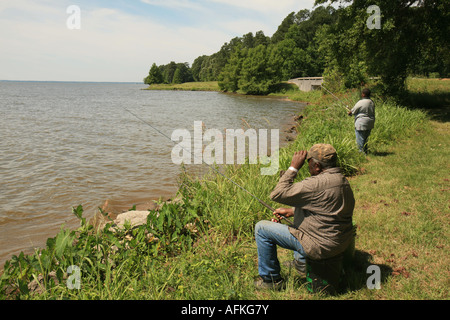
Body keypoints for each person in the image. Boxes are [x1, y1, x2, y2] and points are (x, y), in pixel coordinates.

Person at [254, 144, 355, 290]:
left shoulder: (315, 184)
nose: (308, 167)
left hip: (321, 246)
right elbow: (327, 209)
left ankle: (271, 281)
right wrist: (292, 211)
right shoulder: (343, 181)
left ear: (317, 166)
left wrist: (293, 168)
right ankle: (301, 264)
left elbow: (277, 194)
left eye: (309, 164)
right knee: (301, 222)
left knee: (261, 228)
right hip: (340, 242)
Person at [348, 88, 375, 154]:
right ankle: (365, 151)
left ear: (363, 94)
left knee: (360, 139)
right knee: (365, 138)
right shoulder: (371, 102)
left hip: (361, 123)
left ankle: (361, 154)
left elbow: (353, 112)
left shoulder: (360, 102)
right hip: (370, 122)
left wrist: (349, 113)